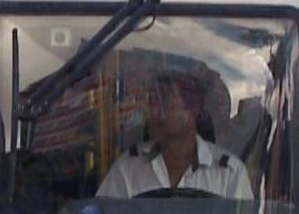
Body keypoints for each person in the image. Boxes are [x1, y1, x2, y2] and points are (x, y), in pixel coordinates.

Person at [98, 61, 252, 199]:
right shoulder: (129, 167)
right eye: (152, 100)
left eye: (165, 100)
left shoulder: (230, 174)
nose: (154, 110)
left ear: (194, 108)